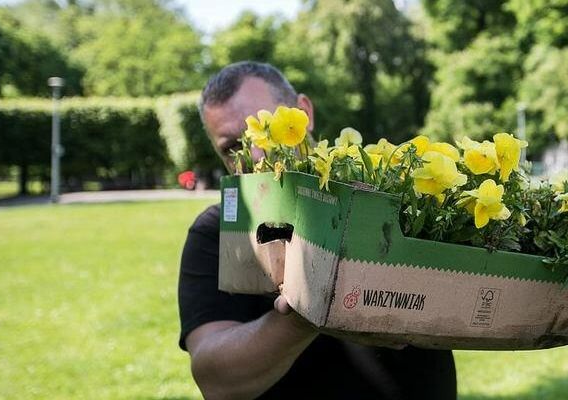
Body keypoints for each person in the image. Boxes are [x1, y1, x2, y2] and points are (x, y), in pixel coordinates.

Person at [178, 61, 457, 399]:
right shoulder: (215, 231)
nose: (254, 154)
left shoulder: (392, 196)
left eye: (267, 131)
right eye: (231, 147)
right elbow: (215, 379)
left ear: (303, 113)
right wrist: (306, 311)